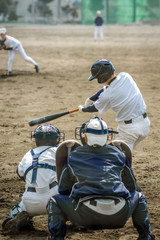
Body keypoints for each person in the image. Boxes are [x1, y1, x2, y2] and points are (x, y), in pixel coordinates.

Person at [46, 116, 156, 240]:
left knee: (54, 201)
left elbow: (63, 189)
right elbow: (131, 186)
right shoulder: (119, 154)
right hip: (119, 216)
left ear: (85, 137)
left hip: (86, 216)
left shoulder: (73, 156)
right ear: (108, 137)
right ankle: (146, 236)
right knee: (139, 197)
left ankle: (56, 238)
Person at [2, 123, 65, 233]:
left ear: (36, 139)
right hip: (54, 199)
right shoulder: (58, 152)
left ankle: (21, 218)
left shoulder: (28, 154)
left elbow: (20, 173)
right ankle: (66, 218)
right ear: (56, 139)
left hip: (30, 201)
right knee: (71, 196)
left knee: (17, 208)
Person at [78, 59, 150, 151]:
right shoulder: (126, 76)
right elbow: (108, 87)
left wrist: (83, 109)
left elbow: (95, 107)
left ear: (102, 77)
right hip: (145, 125)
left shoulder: (108, 95)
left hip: (129, 131)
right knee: (126, 155)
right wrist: (92, 98)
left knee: (116, 158)